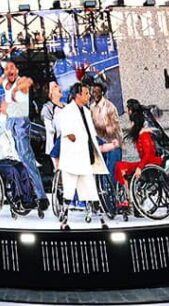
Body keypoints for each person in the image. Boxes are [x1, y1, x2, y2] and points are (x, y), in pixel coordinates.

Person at [0, 62, 47, 210]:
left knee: (26, 159)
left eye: (12, 68)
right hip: (10, 119)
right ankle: (22, 195)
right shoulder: (4, 81)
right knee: (13, 154)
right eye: (7, 69)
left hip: (20, 118)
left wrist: (16, 91)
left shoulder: (21, 81)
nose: (9, 70)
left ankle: (41, 196)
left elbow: (28, 82)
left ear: (17, 70)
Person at [56, 83, 109, 229]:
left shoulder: (86, 111)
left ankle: (102, 221)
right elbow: (67, 132)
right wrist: (72, 135)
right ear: (78, 95)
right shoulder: (67, 112)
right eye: (86, 93)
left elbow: (91, 134)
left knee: (92, 191)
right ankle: (64, 221)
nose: (89, 95)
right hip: (72, 160)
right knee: (68, 192)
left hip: (85, 158)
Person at [0, 101, 39, 215]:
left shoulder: (7, 129)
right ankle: (17, 198)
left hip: (10, 160)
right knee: (13, 171)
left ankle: (27, 199)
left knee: (23, 169)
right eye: (1, 113)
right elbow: (0, 128)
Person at [114, 105, 164, 187]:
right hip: (146, 163)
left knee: (120, 166)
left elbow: (147, 154)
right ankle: (127, 189)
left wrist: (140, 167)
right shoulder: (141, 135)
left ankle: (127, 191)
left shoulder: (144, 135)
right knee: (119, 166)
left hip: (149, 164)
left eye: (131, 122)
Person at [89, 80, 122, 179]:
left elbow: (113, 128)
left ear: (102, 92)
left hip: (112, 143)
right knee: (101, 174)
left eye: (97, 91)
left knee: (111, 173)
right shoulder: (91, 107)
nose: (95, 94)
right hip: (100, 144)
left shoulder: (109, 107)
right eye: (93, 92)